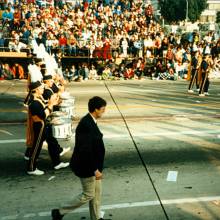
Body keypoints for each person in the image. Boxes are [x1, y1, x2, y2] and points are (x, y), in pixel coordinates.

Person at [51, 96, 107, 220]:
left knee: (97, 193)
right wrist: (95, 170)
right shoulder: (86, 124)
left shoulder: (91, 121)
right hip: (86, 166)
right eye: (102, 109)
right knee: (89, 194)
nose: (104, 111)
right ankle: (60, 212)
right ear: (95, 110)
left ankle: (96, 217)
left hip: (95, 165)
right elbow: (85, 151)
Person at [27, 81, 69, 175]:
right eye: (41, 88)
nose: (43, 89)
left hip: (44, 125)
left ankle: (57, 163)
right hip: (40, 126)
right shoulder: (34, 102)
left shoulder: (37, 98)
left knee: (52, 142)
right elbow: (42, 115)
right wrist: (50, 105)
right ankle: (31, 168)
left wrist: (52, 103)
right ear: (36, 90)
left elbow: (43, 109)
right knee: (36, 148)